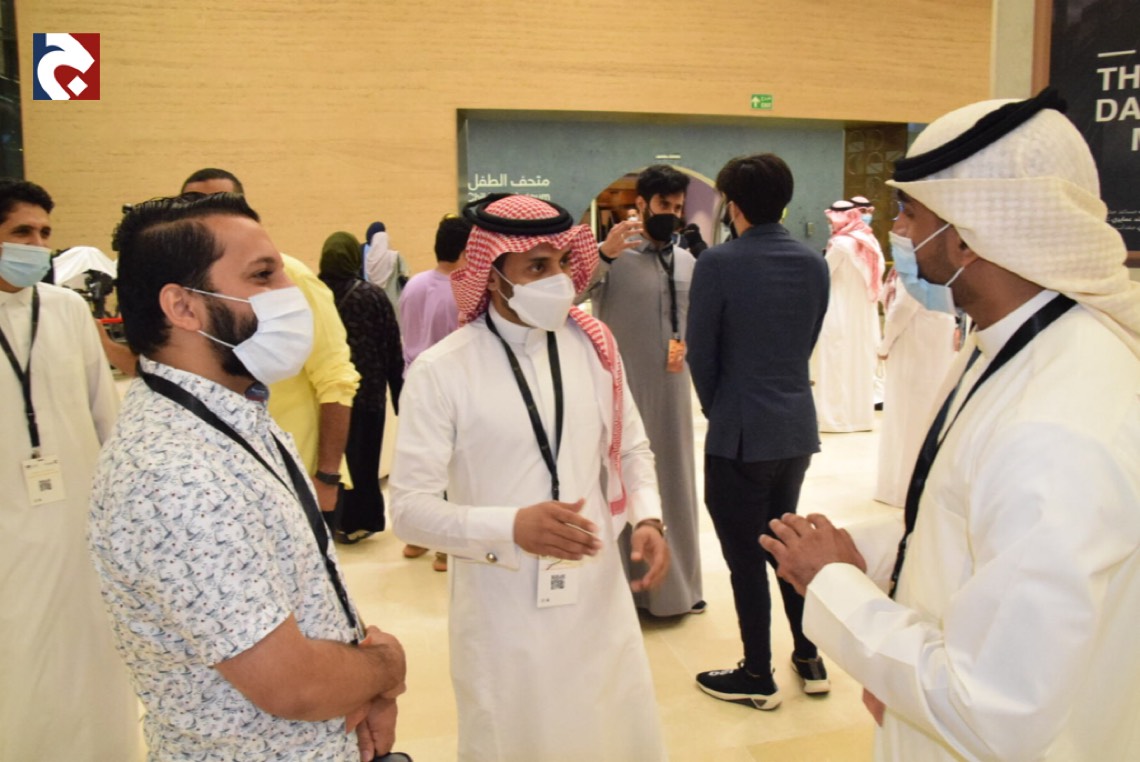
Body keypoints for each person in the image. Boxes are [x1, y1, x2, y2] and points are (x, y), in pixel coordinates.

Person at [761, 89, 1140, 760]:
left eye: (911, 212)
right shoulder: (1013, 346)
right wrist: (866, 552)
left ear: (966, 237)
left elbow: (992, 707)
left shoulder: (1054, 427)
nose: (900, 232)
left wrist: (833, 584)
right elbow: (970, 530)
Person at [90, 192, 407, 760]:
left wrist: (362, 684)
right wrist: (385, 667)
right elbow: (292, 685)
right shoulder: (175, 475)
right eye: (263, 276)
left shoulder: (234, 414)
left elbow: (303, 583)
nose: (291, 294)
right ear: (183, 307)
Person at [390, 193, 670, 761]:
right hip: (503, 603)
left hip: (596, 589)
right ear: (493, 277)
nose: (560, 280)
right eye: (537, 267)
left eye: (563, 263)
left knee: (608, 729)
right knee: (519, 737)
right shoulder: (443, 370)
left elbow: (631, 446)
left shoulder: (593, 345)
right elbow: (409, 510)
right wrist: (511, 526)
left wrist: (648, 517)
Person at [0, 179, 139, 761]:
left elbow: (104, 412)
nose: (36, 245)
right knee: (19, 660)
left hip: (79, 522)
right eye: (21, 232)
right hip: (9, 529)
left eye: (44, 233)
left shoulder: (66, 309)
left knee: (90, 654)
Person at [686, 154, 831, 710]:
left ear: (732, 205)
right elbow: (808, 337)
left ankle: (756, 674)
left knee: (746, 556)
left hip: (741, 431)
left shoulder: (719, 263)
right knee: (784, 542)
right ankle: (808, 656)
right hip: (794, 427)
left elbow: (702, 353)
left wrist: (719, 408)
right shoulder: (813, 262)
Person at [181, 168, 360, 515]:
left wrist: (326, 476)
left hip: (294, 477)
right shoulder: (181, 291)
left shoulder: (287, 278)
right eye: (193, 205)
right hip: (215, 485)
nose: (206, 217)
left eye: (220, 205)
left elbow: (335, 376)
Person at [583, 163, 704, 617]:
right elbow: (571, 295)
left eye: (678, 206)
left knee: (674, 483)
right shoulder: (614, 258)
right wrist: (604, 255)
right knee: (621, 484)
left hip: (673, 394)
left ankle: (677, 591)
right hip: (621, 394)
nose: (671, 213)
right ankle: (623, 596)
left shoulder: (688, 261)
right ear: (641, 204)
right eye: (662, 204)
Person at [319, 231, 404, 543]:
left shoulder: (314, 295)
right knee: (364, 461)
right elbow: (392, 348)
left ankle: (330, 519)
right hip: (368, 394)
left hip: (325, 395)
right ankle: (360, 521)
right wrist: (399, 396)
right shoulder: (372, 295)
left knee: (329, 461)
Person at [398, 213, 472, 569]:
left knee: (420, 464)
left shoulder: (413, 284)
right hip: (448, 388)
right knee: (450, 466)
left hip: (412, 382)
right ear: (467, 250)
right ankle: (444, 549)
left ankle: (415, 539)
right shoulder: (461, 292)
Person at [873, 237, 956, 507]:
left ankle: (901, 488)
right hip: (933, 352)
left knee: (906, 418)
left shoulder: (914, 275)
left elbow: (900, 311)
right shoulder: (941, 268)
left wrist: (884, 345)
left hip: (914, 352)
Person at [812, 199, 884, 433]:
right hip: (862, 316)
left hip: (838, 312)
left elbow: (823, 274)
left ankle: (833, 419)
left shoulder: (841, 244)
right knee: (858, 364)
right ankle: (859, 418)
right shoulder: (870, 242)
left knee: (835, 364)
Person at [363, 220, 411, 315]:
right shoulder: (395, 257)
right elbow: (406, 277)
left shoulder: (369, 259)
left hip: (375, 304)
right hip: (394, 304)